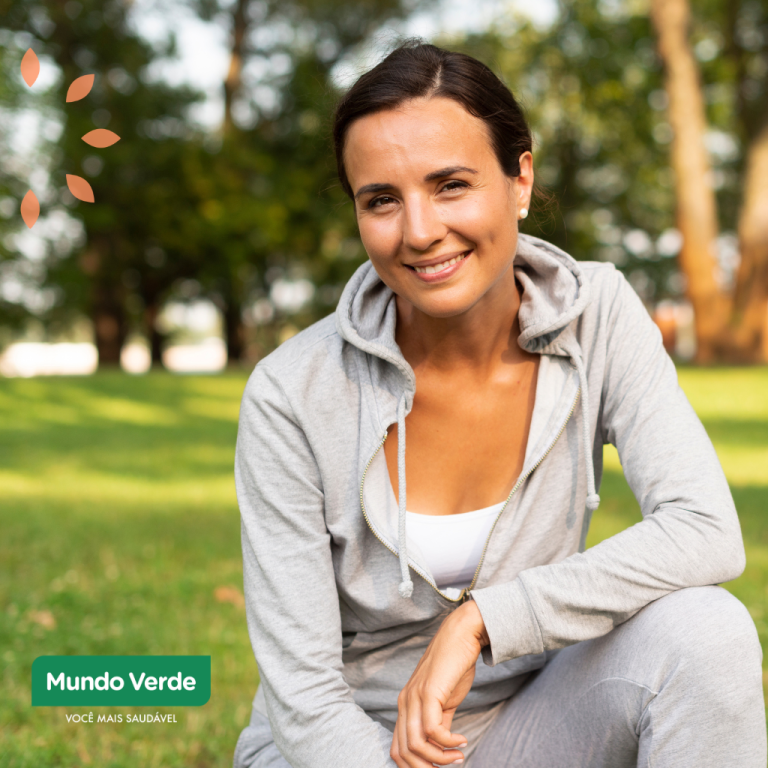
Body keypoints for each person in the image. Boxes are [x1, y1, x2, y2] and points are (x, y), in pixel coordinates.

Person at [232, 40, 765, 768]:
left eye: (450, 185)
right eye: (381, 200)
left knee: (707, 629)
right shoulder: (290, 394)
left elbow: (705, 530)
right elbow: (303, 699)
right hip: (347, 747)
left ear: (520, 180)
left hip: (532, 727)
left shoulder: (597, 315)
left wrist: (485, 618)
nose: (420, 231)